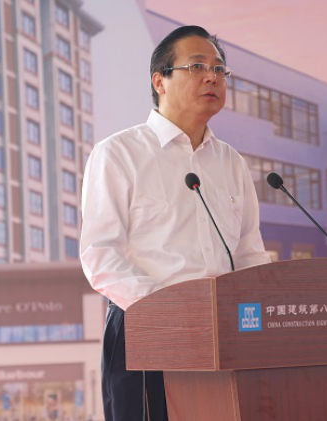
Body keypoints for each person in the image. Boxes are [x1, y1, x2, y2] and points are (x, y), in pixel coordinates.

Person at [80, 25, 271, 421]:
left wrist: (254, 322)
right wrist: (172, 312)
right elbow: (101, 255)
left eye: (219, 69)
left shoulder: (231, 162)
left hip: (225, 337)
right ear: (159, 81)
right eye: (197, 66)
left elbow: (249, 255)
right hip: (146, 331)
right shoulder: (118, 154)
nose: (212, 77)